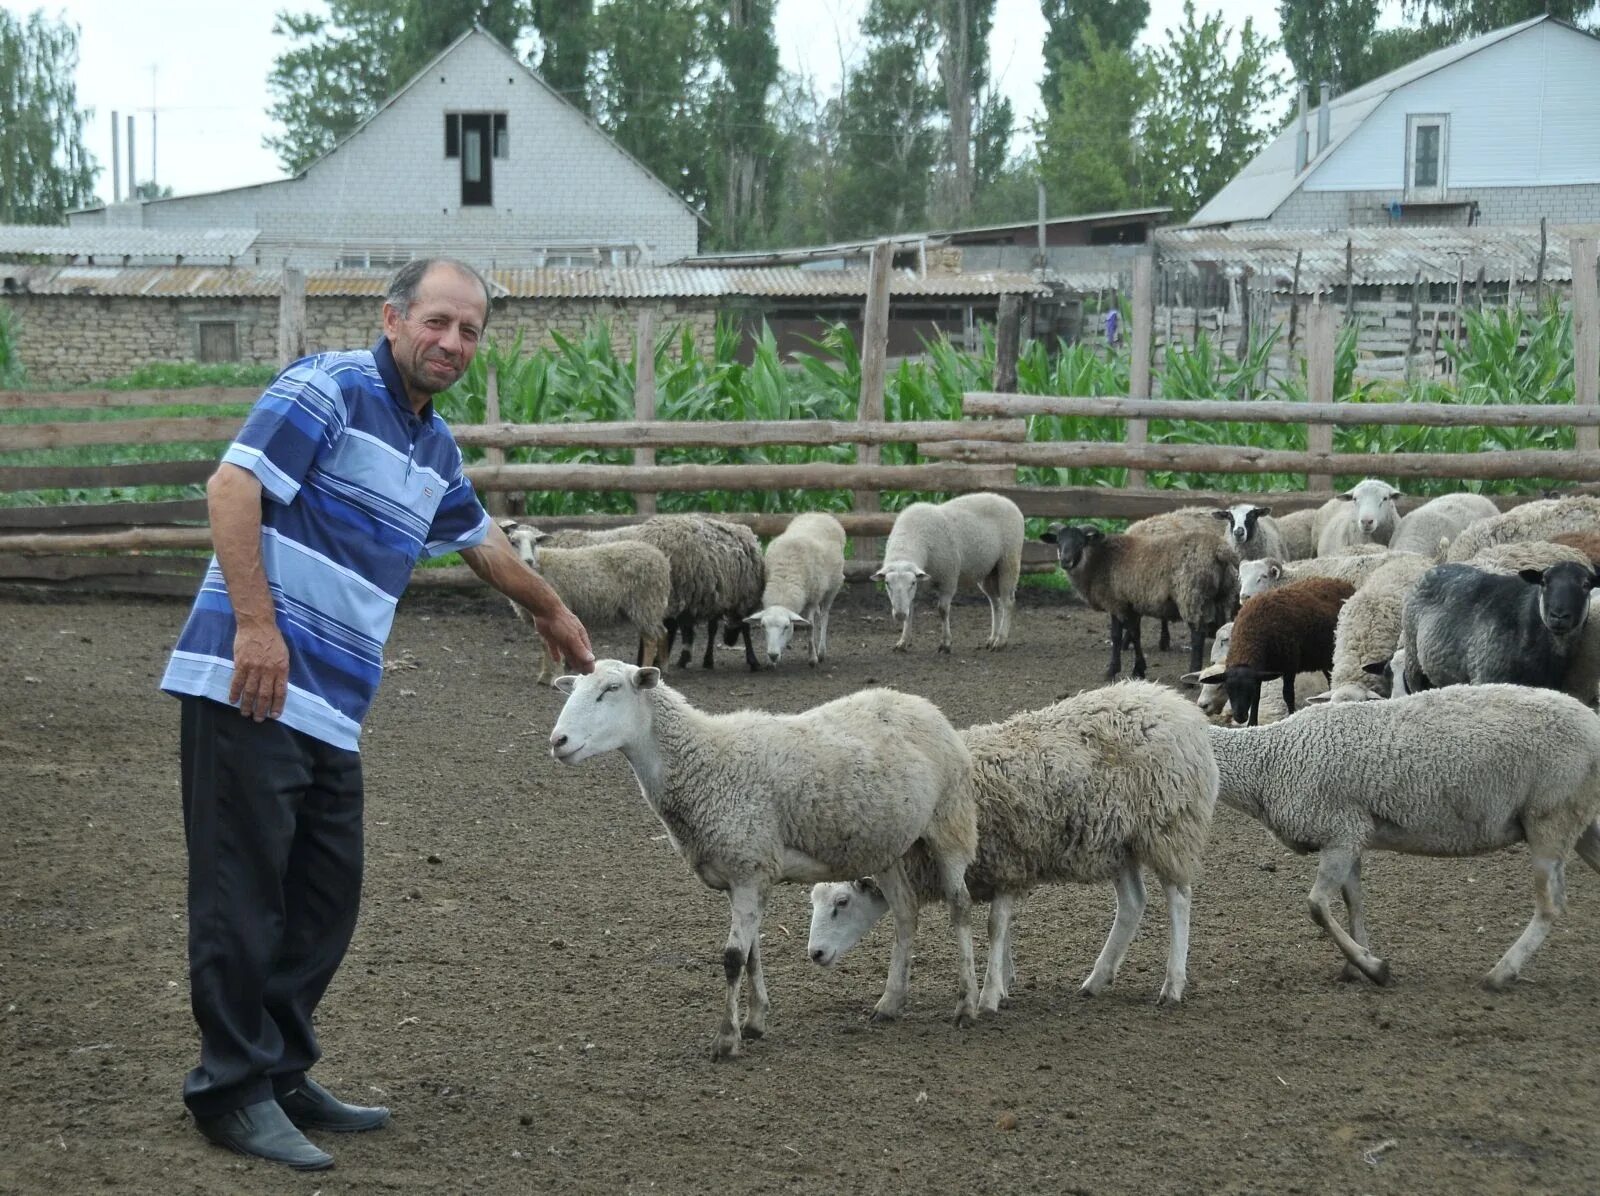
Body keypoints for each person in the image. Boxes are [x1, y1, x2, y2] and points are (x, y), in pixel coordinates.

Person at [160, 257, 594, 1171]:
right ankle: (229, 1092)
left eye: (470, 330)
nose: (452, 343)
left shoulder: (431, 446)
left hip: (328, 708)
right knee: (242, 900)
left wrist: (551, 609)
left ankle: (278, 1070)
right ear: (393, 318)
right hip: (251, 683)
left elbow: (478, 542)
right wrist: (255, 628)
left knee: (323, 897)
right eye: (437, 321)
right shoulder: (330, 387)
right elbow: (232, 488)